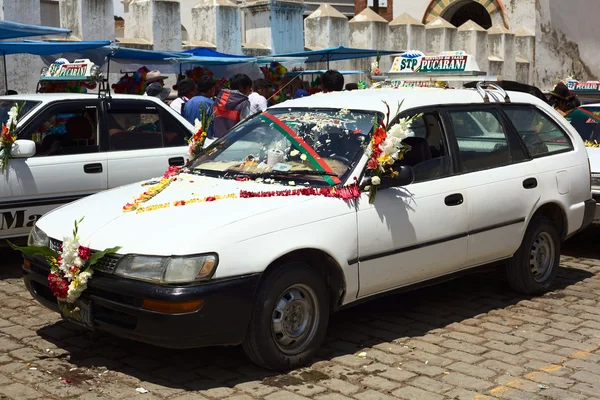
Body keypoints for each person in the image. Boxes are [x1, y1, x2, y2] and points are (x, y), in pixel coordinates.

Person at [213, 74, 252, 139]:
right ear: (241, 87)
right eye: (249, 88)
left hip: (217, 140)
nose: (250, 91)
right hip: (234, 142)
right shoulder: (244, 103)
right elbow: (245, 125)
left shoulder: (218, 99)